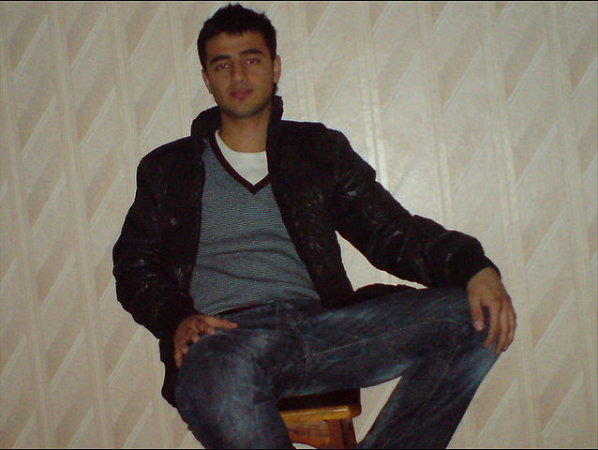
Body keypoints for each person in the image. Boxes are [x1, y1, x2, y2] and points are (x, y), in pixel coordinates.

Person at [113, 4, 516, 448]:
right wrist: (177, 319)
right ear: (207, 79)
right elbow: (135, 265)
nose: (238, 75)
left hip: (326, 331)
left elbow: (390, 232)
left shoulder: (318, 150)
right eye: (222, 65)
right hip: (228, 341)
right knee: (212, 375)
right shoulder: (169, 168)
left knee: (474, 314)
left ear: (275, 68)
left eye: (252, 59)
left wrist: (472, 267)